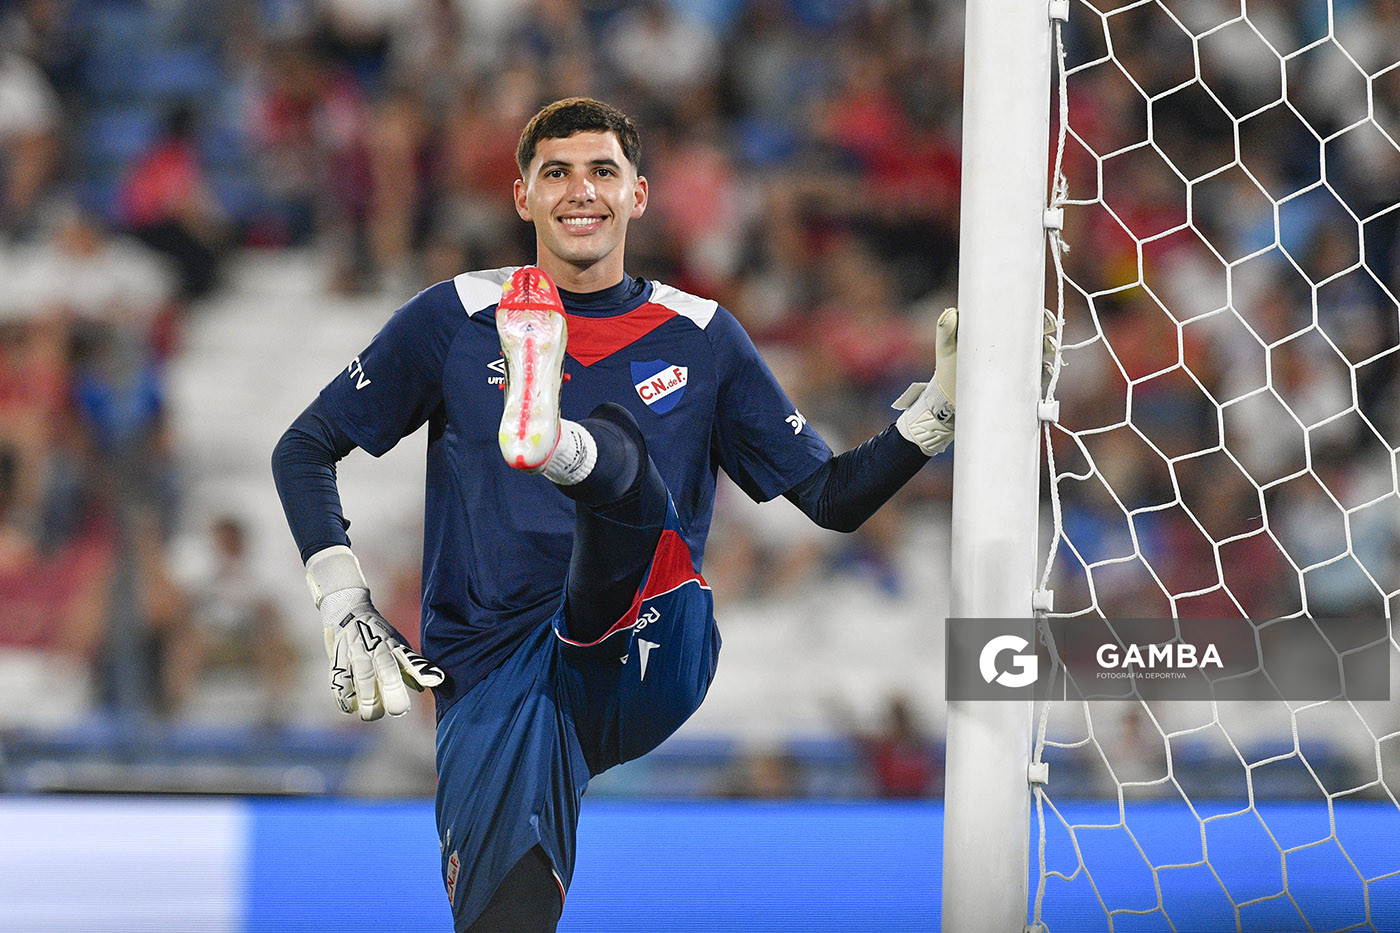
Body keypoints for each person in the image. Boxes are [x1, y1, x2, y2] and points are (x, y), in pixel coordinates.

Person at [271, 97, 960, 932]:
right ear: (522, 196)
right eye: (554, 173)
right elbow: (304, 446)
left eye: (603, 171)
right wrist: (341, 594)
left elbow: (832, 497)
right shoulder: (452, 317)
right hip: (494, 671)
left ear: (638, 195)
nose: (579, 190)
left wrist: (932, 420)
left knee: (627, 483)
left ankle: (555, 441)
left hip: (647, 637)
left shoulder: (701, 334)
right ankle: (561, 441)